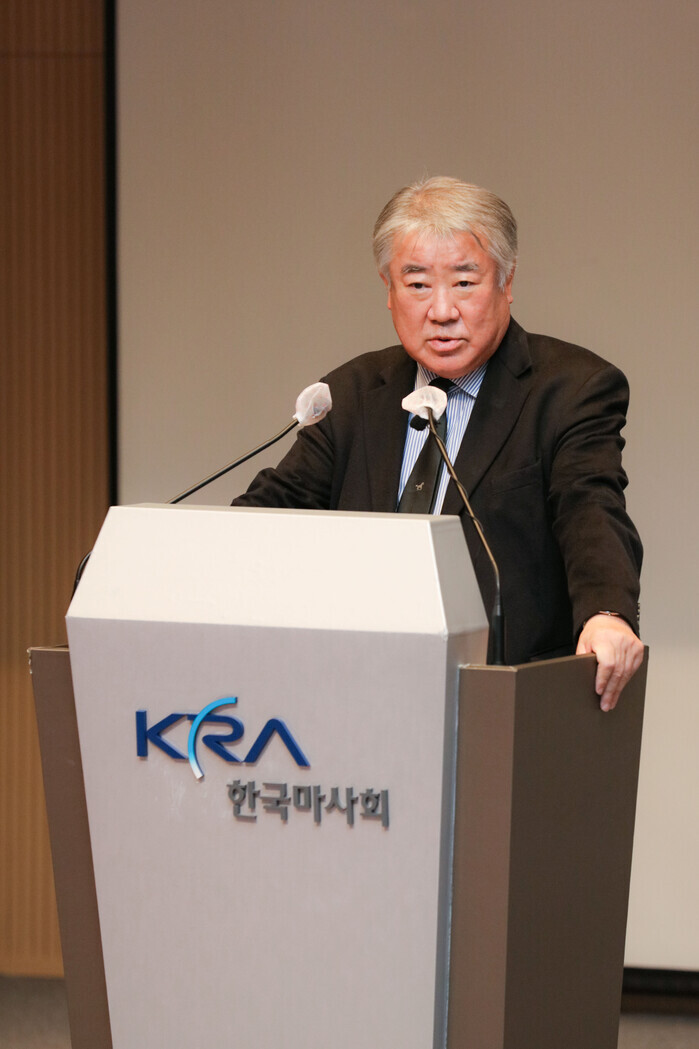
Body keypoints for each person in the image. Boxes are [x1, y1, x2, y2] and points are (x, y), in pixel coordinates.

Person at [233, 176, 644, 710]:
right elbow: (264, 520)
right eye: (418, 285)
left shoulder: (570, 389)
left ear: (507, 282)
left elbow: (590, 507)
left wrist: (607, 613)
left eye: (465, 282)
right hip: (351, 694)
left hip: (501, 699)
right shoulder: (353, 394)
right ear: (389, 290)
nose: (442, 310)